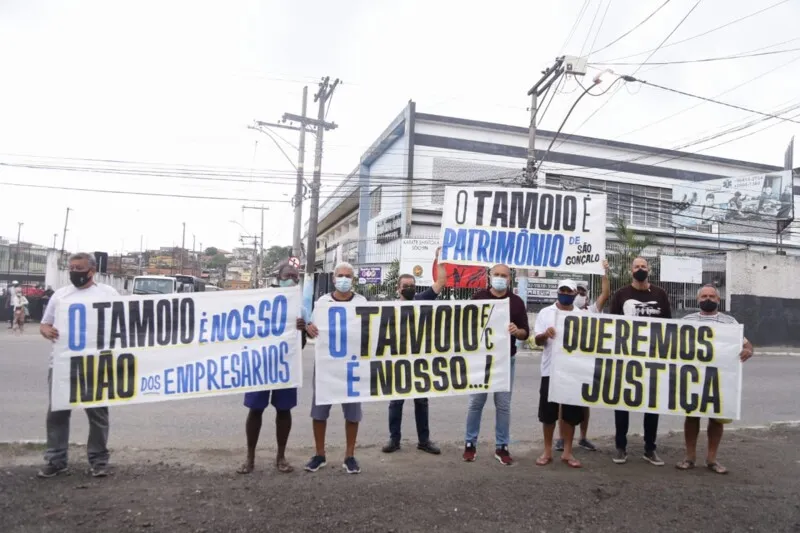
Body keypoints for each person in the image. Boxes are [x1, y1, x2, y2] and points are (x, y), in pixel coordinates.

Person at [38, 253, 119, 478]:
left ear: (91, 271)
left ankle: (99, 460)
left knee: (98, 414)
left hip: (95, 363)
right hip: (63, 364)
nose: (74, 272)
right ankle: (56, 460)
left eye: (79, 268)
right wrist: (46, 331)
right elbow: (45, 324)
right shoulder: (61, 295)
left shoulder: (108, 294)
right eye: (71, 268)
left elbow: (123, 321)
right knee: (57, 414)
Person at [237, 262, 309, 475]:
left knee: (284, 411)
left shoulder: (300, 307)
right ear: (278, 277)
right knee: (256, 409)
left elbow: (302, 344)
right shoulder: (261, 298)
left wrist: (301, 332)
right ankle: (250, 457)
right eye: (288, 275)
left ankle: (281, 456)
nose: (293, 279)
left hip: (285, 366)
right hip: (261, 364)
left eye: (296, 276)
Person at [676, 285, 753, 475]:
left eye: (711, 296)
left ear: (718, 300)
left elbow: (746, 344)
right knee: (692, 416)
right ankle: (689, 457)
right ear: (698, 299)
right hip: (693, 376)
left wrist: (749, 350)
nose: (707, 299)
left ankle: (711, 459)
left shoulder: (730, 322)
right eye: (704, 296)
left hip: (720, 377)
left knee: (717, 418)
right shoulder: (686, 320)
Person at [463, 263, 529, 466]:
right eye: (497, 274)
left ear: (510, 279)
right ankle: (469, 444)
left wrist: (516, 331)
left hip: (505, 360)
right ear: (490, 276)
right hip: (481, 361)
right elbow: (466, 325)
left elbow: (525, 333)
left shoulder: (516, 302)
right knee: (476, 403)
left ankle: (502, 446)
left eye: (504, 275)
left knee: (503, 405)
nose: (500, 278)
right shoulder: (478, 298)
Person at [304, 262, 367, 474]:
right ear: (333, 278)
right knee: (320, 412)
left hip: (351, 366)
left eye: (348, 276)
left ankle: (349, 456)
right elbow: (311, 328)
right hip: (326, 366)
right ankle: (319, 454)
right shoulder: (322, 302)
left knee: (352, 414)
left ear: (353, 279)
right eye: (340, 275)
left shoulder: (362, 302)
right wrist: (308, 328)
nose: (344, 279)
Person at [382, 252, 447, 455]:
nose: (409, 288)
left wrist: (441, 259)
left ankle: (424, 440)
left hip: (419, 361)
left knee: (421, 402)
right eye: (405, 285)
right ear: (398, 288)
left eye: (412, 285)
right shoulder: (387, 307)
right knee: (396, 402)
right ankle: (394, 440)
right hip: (398, 361)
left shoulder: (423, 299)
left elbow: (441, 281)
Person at [610, 256, 672, 466]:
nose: (640, 269)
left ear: (649, 270)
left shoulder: (660, 294)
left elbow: (668, 327)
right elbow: (612, 326)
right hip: (626, 357)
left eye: (643, 266)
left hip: (653, 358)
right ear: (630, 271)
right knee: (622, 402)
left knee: (652, 404)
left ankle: (650, 449)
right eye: (636, 266)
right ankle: (620, 447)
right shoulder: (621, 295)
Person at [554, 262, 611, 453]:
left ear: (586, 295)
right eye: (576, 291)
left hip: (586, 363)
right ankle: (562, 438)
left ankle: (583, 437)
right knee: (563, 401)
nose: (579, 295)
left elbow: (605, 294)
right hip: (566, 362)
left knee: (584, 402)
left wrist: (604, 273)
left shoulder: (592, 310)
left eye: (582, 292)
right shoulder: (561, 310)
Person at [534, 280, 589, 468]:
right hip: (550, 370)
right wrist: (545, 335)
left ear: (574, 294)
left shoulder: (581, 316)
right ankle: (547, 451)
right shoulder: (545, 313)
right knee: (548, 414)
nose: (565, 293)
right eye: (562, 290)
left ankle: (567, 452)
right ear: (558, 292)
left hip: (572, 371)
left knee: (570, 415)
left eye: (569, 291)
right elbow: (537, 341)